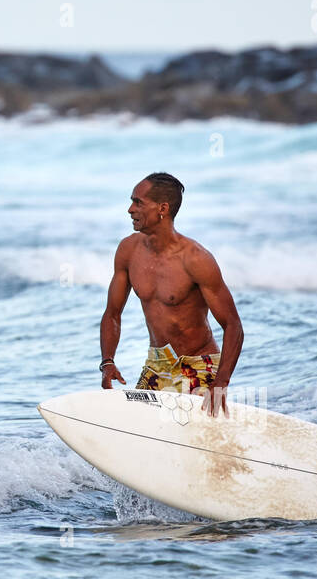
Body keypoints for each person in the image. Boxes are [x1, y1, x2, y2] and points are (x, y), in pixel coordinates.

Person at [99, 173, 244, 417]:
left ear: (162, 208)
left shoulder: (196, 259)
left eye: (138, 202)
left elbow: (233, 325)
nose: (130, 209)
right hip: (157, 365)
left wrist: (221, 381)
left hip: (199, 366)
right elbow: (112, 314)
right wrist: (108, 362)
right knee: (134, 429)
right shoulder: (128, 251)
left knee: (198, 439)